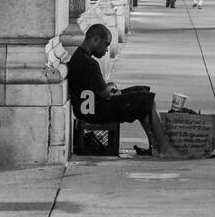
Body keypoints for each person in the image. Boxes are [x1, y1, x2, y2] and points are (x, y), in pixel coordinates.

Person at [66, 24, 181, 157]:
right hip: (95, 111)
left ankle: (155, 146)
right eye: (106, 44)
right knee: (145, 100)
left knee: (142, 91)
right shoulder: (88, 63)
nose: (106, 49)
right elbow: (106, 94)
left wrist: (109, 88)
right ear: (95, 39)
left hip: (93, 106)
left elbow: (98, 88)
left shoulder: (80, 57)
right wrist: (111, 87)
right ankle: (165, 147)